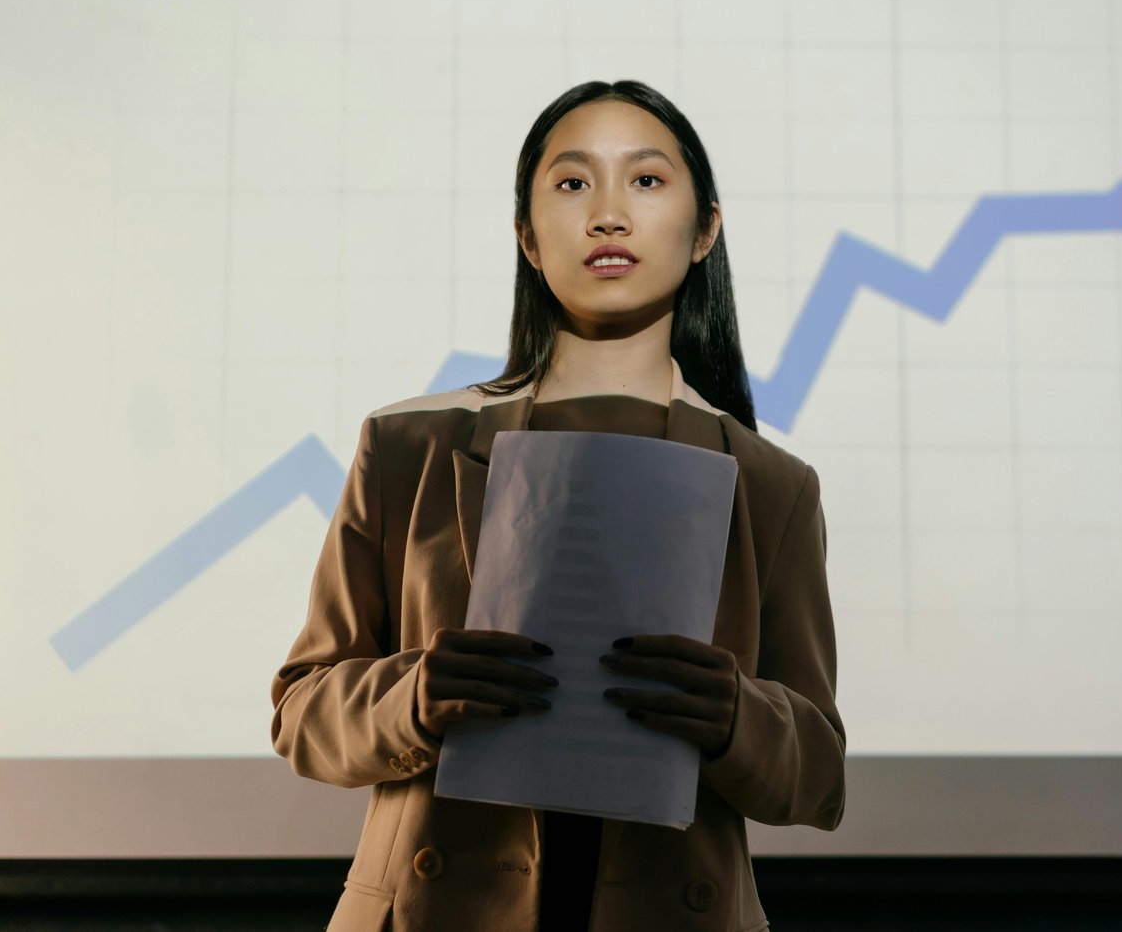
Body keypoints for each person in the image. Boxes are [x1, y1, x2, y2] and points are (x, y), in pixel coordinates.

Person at [270, 79, 845, 931]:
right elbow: (301, 710)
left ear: (706, 230)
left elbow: (821, 775)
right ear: (527, 238)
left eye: (646, 181)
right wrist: (414, 694)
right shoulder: (406, 447)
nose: (608, 215)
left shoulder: (771, 483)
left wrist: (737, 715)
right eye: (572, 184)